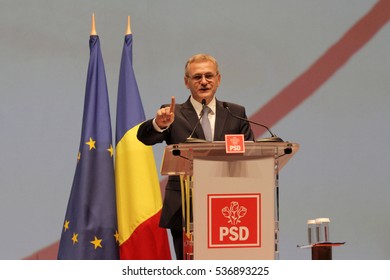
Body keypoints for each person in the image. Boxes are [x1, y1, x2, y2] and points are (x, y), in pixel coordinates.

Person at [137, 53, 254, 259]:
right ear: (186, 82)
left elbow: (250, 156)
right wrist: (159, 124)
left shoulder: (235, 112)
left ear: (218, 79)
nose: (204, 81)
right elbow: (144, 137)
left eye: (209, 76)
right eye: (197, 77)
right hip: (184, 209)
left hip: (229, 209)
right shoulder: (174, 113)